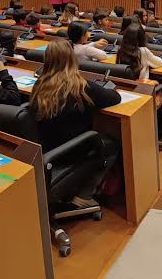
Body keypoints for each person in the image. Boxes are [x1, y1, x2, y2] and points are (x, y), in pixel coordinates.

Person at [28, 39, 121, 207]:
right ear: (72, 59)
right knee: (112, 145)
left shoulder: (39, 84)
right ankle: (85, 195)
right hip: (73, 151)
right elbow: (115, 98)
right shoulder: (79, 85)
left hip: (47, 149)